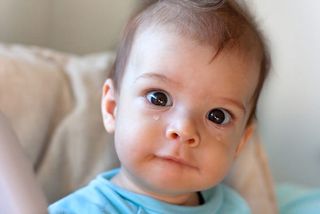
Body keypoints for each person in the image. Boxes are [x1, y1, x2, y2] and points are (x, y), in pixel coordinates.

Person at [49, 0, 270, 213]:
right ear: (112, 108)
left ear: (240, 142)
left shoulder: (234, 208)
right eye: (158, 98)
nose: (184, 130)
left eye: (217, 116)